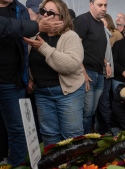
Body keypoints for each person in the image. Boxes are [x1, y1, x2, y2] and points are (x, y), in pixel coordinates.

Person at [24, 0, 85, 146]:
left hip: (68, 93)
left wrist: (44, 48)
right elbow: (27, 60)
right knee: (49, 136)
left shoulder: (70, 36)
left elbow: (70, 65)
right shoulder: (34, 34)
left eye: (51, 13)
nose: (45, 15)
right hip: (42, 93)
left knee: (72, 136)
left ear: (62, 17)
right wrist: (30, 77)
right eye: (43, 11)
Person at [73, 0, 112, 134]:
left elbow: (97, 48)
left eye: (105, 5)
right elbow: (74, 48)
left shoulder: (101, 24)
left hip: (99, 73)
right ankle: (81, 143)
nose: (103, 8)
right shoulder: (83, 20)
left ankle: (88, 141)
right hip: (87, 72)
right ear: (91, 5)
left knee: (91, 112)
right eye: (100, 5)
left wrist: (106, 63)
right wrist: (82, 72)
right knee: (86, 112)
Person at [0, 0, 29, 166]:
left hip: (13, 80)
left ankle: (16, 164)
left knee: (17, 128)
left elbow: (26, 45)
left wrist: (27, 75)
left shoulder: (20, 9)